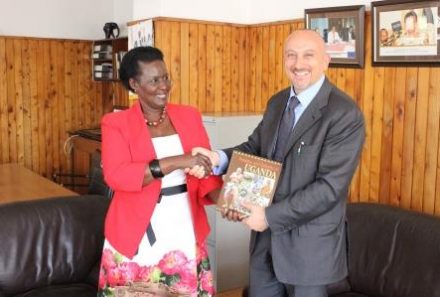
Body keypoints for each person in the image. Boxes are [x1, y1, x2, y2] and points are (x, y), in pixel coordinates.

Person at [192, 29, 365, 297]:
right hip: (264, 246)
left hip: (309, 251)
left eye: (309, 55)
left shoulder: (344, 114)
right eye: (291, 55)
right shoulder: (278, 102)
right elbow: (254, 149)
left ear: (326, 60)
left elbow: (329, 189)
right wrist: (219, 158)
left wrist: (269, 217)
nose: (298, 64)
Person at [97, 46, 223, 297]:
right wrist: (177, 161)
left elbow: (206, 172)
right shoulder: (115, 123)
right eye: (154, 80)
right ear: (134, 84)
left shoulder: (189, 115)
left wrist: (229, 203)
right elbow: (117, 175)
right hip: (137, 229)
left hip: (184, 222)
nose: (163, 86)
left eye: (165, 77)